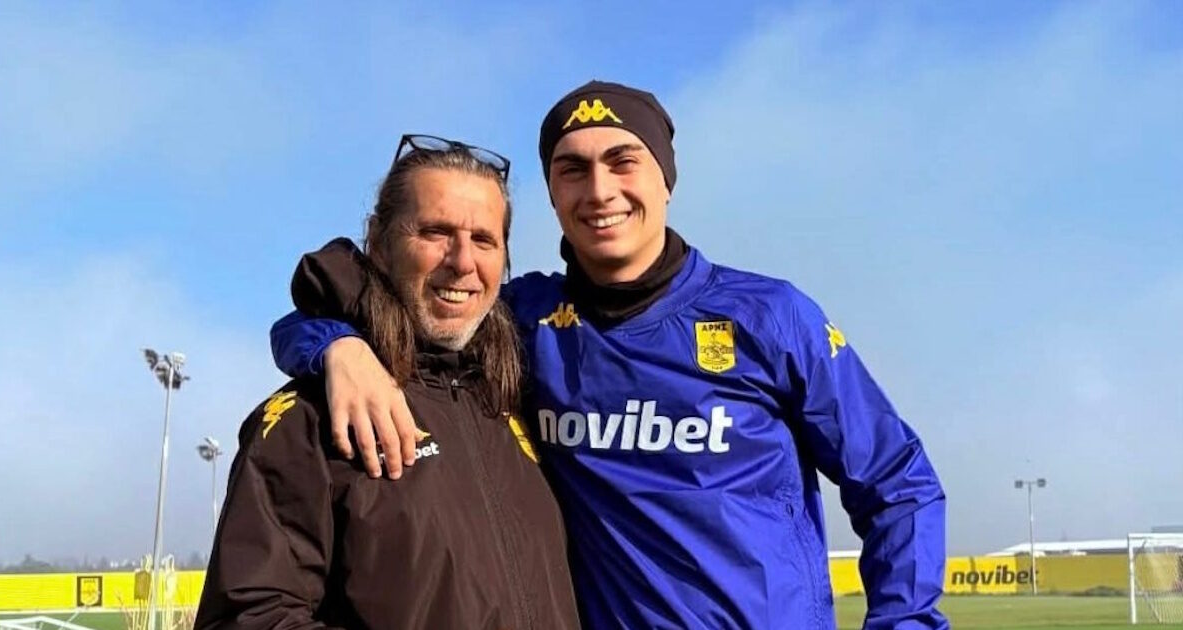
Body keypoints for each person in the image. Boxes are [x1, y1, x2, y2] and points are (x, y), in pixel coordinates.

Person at [272, 82, 949, 629]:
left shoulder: (772, 316)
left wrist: (907, 621)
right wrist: (336, 347)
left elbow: (897, 481)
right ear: (552, 196)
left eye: (623, 162)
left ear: (666, 180)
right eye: (572, 170)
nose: (599, 191)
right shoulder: (523, 320)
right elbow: (360, 294)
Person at [195, 135, 580, 630]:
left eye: (484, 240)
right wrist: (337, 345)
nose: (463, 261)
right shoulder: (310, 419)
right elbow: (249, 616)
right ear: (379, 243)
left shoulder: (517, 398)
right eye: (435, 232)